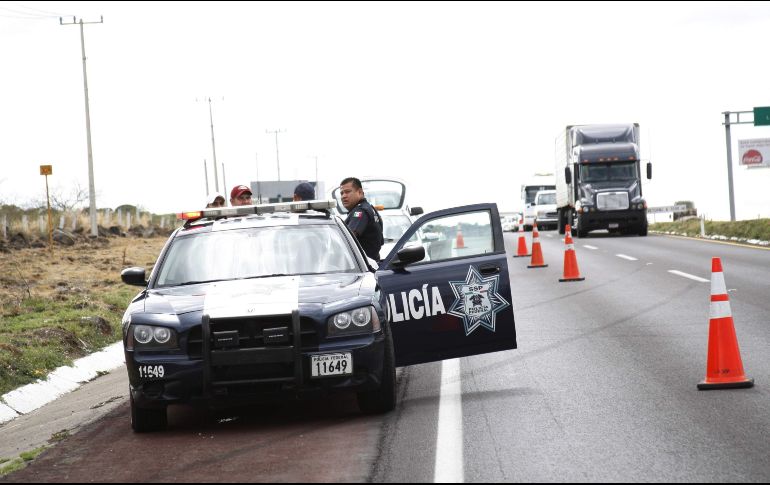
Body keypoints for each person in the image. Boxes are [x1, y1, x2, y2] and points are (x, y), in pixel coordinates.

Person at [339, 177, 384, 261]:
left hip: (363, 264)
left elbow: (347, 239)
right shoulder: (369, 208)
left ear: (359, 192)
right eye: (342, 193)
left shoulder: (360, 211)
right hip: (370, 263)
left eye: (347, 192)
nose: (343, 196)